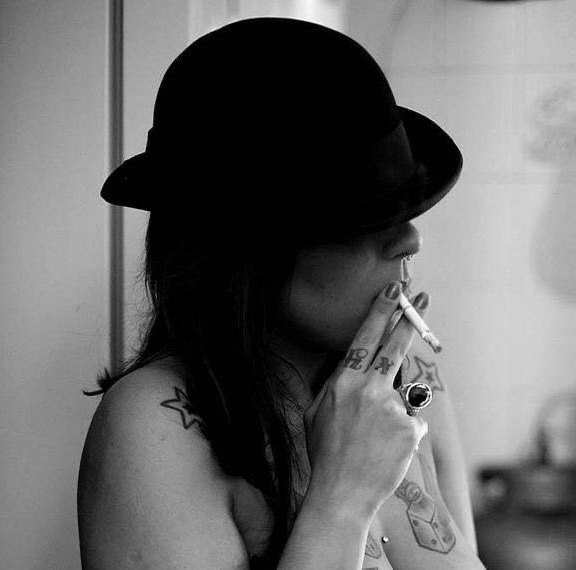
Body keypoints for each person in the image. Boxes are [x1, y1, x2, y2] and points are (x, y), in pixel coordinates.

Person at [78, 17, 485, 569]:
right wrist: (341, 499)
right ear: (245, 245)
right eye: (361, 216)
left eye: (402, 207)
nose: (409, 239)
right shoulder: (154, 426)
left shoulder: (411, 382)